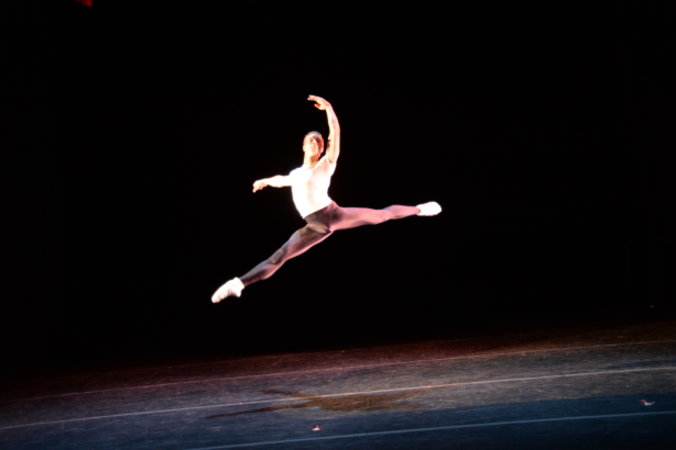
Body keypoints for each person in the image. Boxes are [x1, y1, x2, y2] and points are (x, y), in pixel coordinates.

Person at [211, 95, 441, 303]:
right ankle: (238, 283)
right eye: (311, 140)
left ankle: (420, 209)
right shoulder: (296, 173)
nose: (315, 143)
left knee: (382, 215)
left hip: (334, 214)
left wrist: (329, 109)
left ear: (322, 149)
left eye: (318, 142)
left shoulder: (326, 163)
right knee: (280, 256)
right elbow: (282, 179)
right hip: (315, 226)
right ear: (303, 146)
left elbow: (335, 135)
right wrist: (265, 181)